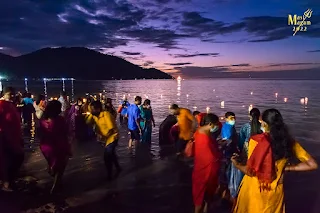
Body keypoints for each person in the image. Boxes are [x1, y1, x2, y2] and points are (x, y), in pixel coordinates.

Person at [232, 109, 318, 213]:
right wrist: (287, 168)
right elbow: (312, 165)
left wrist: (236, 164)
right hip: (274, 193)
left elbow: (251, 171)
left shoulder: (255, 141)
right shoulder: (289, 142)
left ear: (264, 124)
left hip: (254, 190)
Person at [40, 100, 71, 194]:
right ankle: (55, 187)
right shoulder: (59, 120)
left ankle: (52, 171)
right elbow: (65, 132)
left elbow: (40, 134)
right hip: (58, 145)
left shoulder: (43, 120)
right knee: (61, 165)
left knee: (53, 163)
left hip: (45, 146)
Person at [193, 113, 221, 213]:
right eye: (216, 124)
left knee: (202, 197)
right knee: (201, 198)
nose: (217, 126)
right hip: (206, 172)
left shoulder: (200, 130)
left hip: (199, 167)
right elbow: (211, 158)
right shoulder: (205, 139)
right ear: (210, 124)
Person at [86, 101, 121, 180]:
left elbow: (111, 130)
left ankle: (109, 175)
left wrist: (102, 138)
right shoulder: (95, 115)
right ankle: (118, 168)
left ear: (98, 109)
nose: (91, 111)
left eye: (92, 109)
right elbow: (87, 122)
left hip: (112, 137)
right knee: (111, 154)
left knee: (107, 156)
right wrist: (91, 114)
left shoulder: (106, 115)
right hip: (105, 138)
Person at [0, 87, 24, 191]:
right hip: (5, 138)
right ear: (4, 94)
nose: (13, 96)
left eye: (14, 94)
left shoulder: (10, 104)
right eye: (10, 94)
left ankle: (8, 181)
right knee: (13, 159)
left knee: (14, 159)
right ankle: (6, 183)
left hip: (14, 138)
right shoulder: (1, 105)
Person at [219, 111, 238, 203]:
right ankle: (225, 194)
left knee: (226, 173)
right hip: (227, 153)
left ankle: (224, 192)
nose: (233, 120)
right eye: (231, 118)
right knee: (227, 173)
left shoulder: (230, 126)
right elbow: (226, 141)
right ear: (226, 118)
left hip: (229, 151)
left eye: (234, 118)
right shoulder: (227, 128)